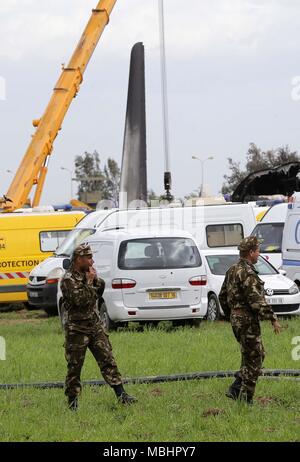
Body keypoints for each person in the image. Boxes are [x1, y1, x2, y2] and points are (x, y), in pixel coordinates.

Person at [61, 243, 137, 410]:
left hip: (94, 326)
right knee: (75, 366)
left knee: (107, 359)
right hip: (77, 329)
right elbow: (80, 300)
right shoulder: (68, 280)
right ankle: (72, 403)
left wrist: (95, 279)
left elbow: (98, 293)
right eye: (88, 258)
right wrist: (89, 282)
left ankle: (121, 395)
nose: (92, 261)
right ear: (79, 259)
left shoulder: (88, 275)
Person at [219, 236, 282, 404]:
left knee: (251, 355)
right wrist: (272, 318)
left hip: (237, 319)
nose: (259, 254)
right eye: (258, 251)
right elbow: (257, 301)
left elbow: (222, 295)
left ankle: (237, 386)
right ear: (251, 252)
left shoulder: (232, 269)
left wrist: (232, 314)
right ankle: (244, 397)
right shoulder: (248, 273)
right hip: (247, 320)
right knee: (255, 358)